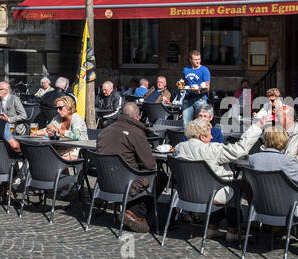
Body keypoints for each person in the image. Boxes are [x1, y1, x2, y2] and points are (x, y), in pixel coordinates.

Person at [247, 129, 298, 255]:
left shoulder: (253, 159)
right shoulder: (287, 161)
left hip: (262, 207)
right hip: (285, 210)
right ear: (283, 141)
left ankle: (278, 232)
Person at [172, 117, 263, 209]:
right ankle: (232, 217)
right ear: (202, 137)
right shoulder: (212, 150)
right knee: (240, 183)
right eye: (210, 135)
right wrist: (256, 127)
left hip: (186, 192)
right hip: (212, 194)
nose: (212, 137)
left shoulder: (178, 148)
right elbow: (240, 149)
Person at [96, 102, 159, 233]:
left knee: (137, 172)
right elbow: (150, 165)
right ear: (138, 117)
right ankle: (135, 212)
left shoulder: (104, 131)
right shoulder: (136, 132)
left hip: (105, 183)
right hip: (127, 184)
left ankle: (131, 211)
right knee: (158, 176)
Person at [43, 95, 89, 159]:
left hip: (78, 149)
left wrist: (58, 130)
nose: (58, 110)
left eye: (60, 108)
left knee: (52, 159)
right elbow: (48, 129)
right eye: (57, 108)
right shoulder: (58, 118)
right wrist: (35, 133)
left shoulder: (76, 119)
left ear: (68, 106)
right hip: (63, 148)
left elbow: (76, 135)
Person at [179, 50, 212, 124]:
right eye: (195, 59)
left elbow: (207, 87)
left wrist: (199, 92)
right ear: (190, 60)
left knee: (202, 123)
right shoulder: (186, 70)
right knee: (186, 123)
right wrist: (180, 84)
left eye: (199, 59)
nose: (198, 61)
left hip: (200, 99)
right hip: (188, 98)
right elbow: (183, 81)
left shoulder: (204, 70)